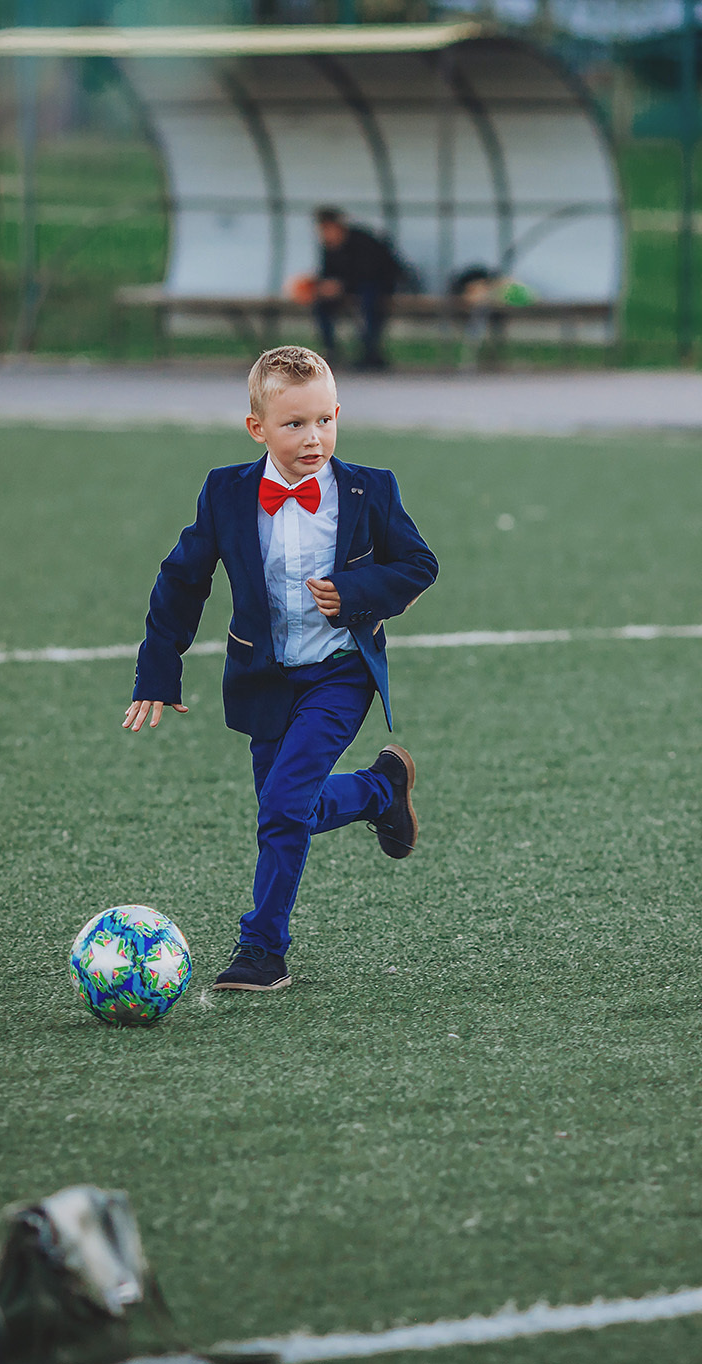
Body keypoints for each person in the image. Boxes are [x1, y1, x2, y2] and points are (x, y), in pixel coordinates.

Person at [123, 345, 439, 991]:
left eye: (324, 420)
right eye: (294, 424)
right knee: (285, 806)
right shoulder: (227, 492)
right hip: (264, 677)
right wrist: (158, 670)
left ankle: (262, 949)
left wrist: (357, 592)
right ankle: (380, 790)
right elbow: (182, 580)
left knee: (282, 808)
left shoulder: (369, 487)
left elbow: (417, 564)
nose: (313, 437)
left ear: (338, 415)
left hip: (339, 672)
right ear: (257, 427)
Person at [313, 207, 405, 371]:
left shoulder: (362, 241)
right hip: (350, 289)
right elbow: (327, 273)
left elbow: (371, 272)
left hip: (378, 285)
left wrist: (341, 285)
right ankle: (330, 350)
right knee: (321, 304)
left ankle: (370, 352)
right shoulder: (328, 247)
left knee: (370, 301)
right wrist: (323, 285)